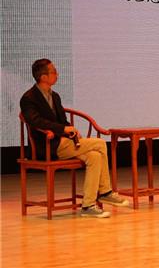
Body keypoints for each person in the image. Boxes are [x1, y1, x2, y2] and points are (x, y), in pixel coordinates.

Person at [20, 59, 128, 218]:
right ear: (43, 77)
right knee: (99, 143)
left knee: (95, 156)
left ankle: (88, 205)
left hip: (63, 143)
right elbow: (35, 121)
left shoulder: (54, 96)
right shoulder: (29, 98)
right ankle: (105, 192)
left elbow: (63, 121)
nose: (57, 74)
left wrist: (71, 130)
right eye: (53, 72)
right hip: (48, 146)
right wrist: (62, 129)